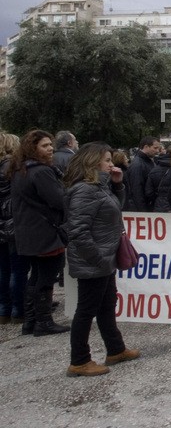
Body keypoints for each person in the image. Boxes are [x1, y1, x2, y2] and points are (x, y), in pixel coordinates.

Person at [62, 142, 140, 376]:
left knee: (107, 305)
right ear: (92, 162)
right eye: (106, 160)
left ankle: (115, 349)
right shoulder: (85, 190)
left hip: (105, 259)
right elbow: (77, 231)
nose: (111, 163)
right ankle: (79, 360)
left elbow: (113, 210)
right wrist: (97, 259)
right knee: (86, 310)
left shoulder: (99, 187)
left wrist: (117, 186)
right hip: (94, 261)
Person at [8, 130, 70, 336]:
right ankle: (43, 321)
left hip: (29, 231)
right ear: (32, 148)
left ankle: (31, 320)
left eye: (50, 144)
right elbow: (58, 200)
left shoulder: (21, 170)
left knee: (35, 276)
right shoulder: (41, 171)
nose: (50, 148)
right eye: (45, 146)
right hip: (45, 232)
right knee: (45, 276)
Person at [0, 133, 29, 326]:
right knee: (17, 269)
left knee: (3, 269)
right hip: (14, 223)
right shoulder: (13, 167)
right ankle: (18, 309)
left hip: (2, 224)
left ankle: (4, 310)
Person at [125, 136, 162, 212]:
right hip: (143, 208)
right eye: (155, 148)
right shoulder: (137, 165)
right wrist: (143, 212)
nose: (158, 151)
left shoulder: (147, 161)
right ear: (146, 147)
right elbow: (136, 190)